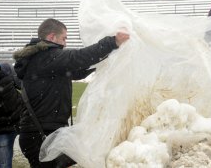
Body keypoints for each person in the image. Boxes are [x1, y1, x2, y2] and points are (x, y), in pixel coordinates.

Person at [12, 18, 130, 168]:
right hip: (40, 134)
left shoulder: (46, 60)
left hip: (43, 131)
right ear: (51, 37)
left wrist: (106, 60)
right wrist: (113, 42)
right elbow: (78, 57)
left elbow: (77, 71)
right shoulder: (46, 57)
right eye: (64, 38)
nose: (65, 43)